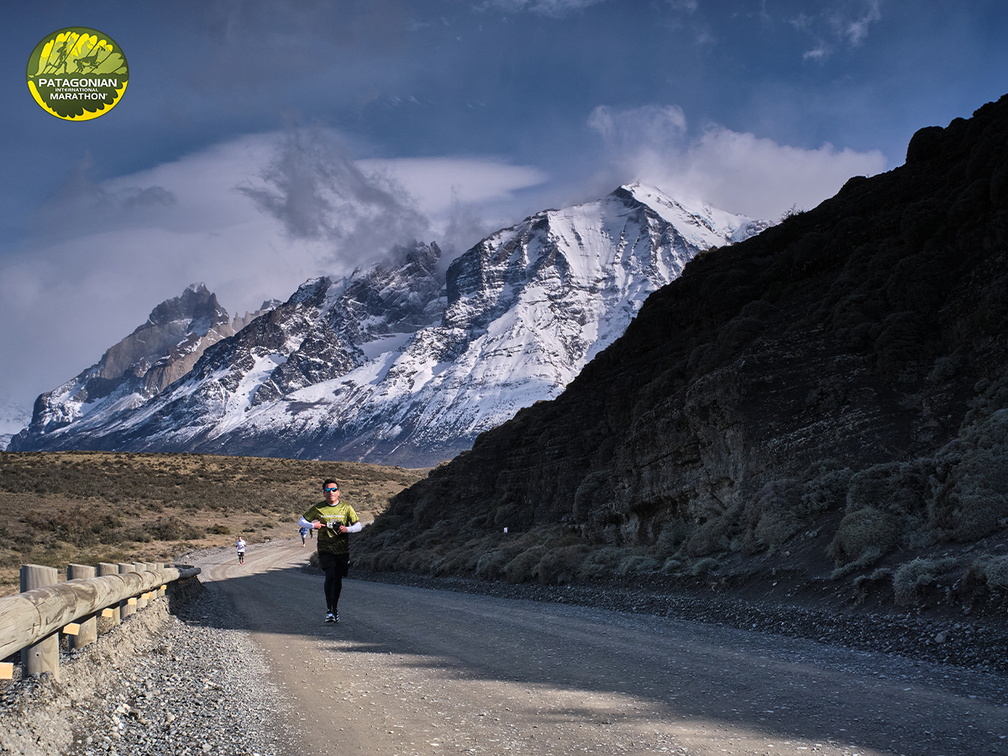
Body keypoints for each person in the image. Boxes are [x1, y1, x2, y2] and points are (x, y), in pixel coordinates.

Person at [298, 479, 361, 623]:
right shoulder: (318, 508)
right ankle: (329, 610)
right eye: (327, 490)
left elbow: (359, 526)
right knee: (330, 575)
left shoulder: (346, 508)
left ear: (338, 492)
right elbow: (301, 521)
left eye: (333, 490)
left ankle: (335, 609)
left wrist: (347, 529)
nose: (330, 493)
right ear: (323, 493)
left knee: (337, 579)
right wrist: (313, 525)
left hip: (341, 549)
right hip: (325, 548)